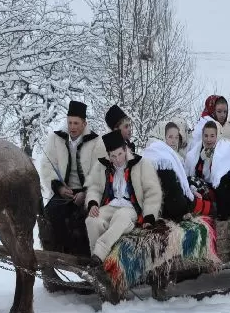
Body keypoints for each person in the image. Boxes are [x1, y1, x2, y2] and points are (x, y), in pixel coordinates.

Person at [39, 101, 106, 256]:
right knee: (49, 214)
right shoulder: (56, 139)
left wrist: (86, 193)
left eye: (76, 123)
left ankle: (83, 259)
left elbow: (100, 172)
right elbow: (46, 167)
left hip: (87, 193)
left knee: (84, 220)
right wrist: (59, 188)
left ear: (84, 124)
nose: (72, 127)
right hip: (64, 191)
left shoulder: (96, 142)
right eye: (70, 122)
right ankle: (59, 255)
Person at [85, 130, 162, 263]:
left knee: (120, 217)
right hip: (110, 205)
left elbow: (152, 192)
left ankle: (99, 253)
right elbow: (94, 187)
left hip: (132, 207)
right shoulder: (102, 166)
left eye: (120, 154)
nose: (118, 159)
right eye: (113, 156)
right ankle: (96, 261)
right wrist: (92, 203)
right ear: (108, 155)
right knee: (92, 220)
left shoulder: (141, 164)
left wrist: (149, 215)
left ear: (125, 149)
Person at [185, 119, 230, 219]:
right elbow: (191, 172)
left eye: (212, 136)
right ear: (202, 136)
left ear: (217, 136)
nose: (208, 139)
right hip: (207, 188)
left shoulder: (223, 149)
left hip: (225, 190)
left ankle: (221, 212)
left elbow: (224, 173)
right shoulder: (196, 152)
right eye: (206, 136)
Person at [144, 121, 195, 222]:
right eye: (170, 137)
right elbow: (171, 188)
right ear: (163, 137)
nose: (174, 141)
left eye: (176, 137)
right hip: (161, 204)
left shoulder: (171, 155)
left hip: (170, 200)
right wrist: (184, 210)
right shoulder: (161, 156)